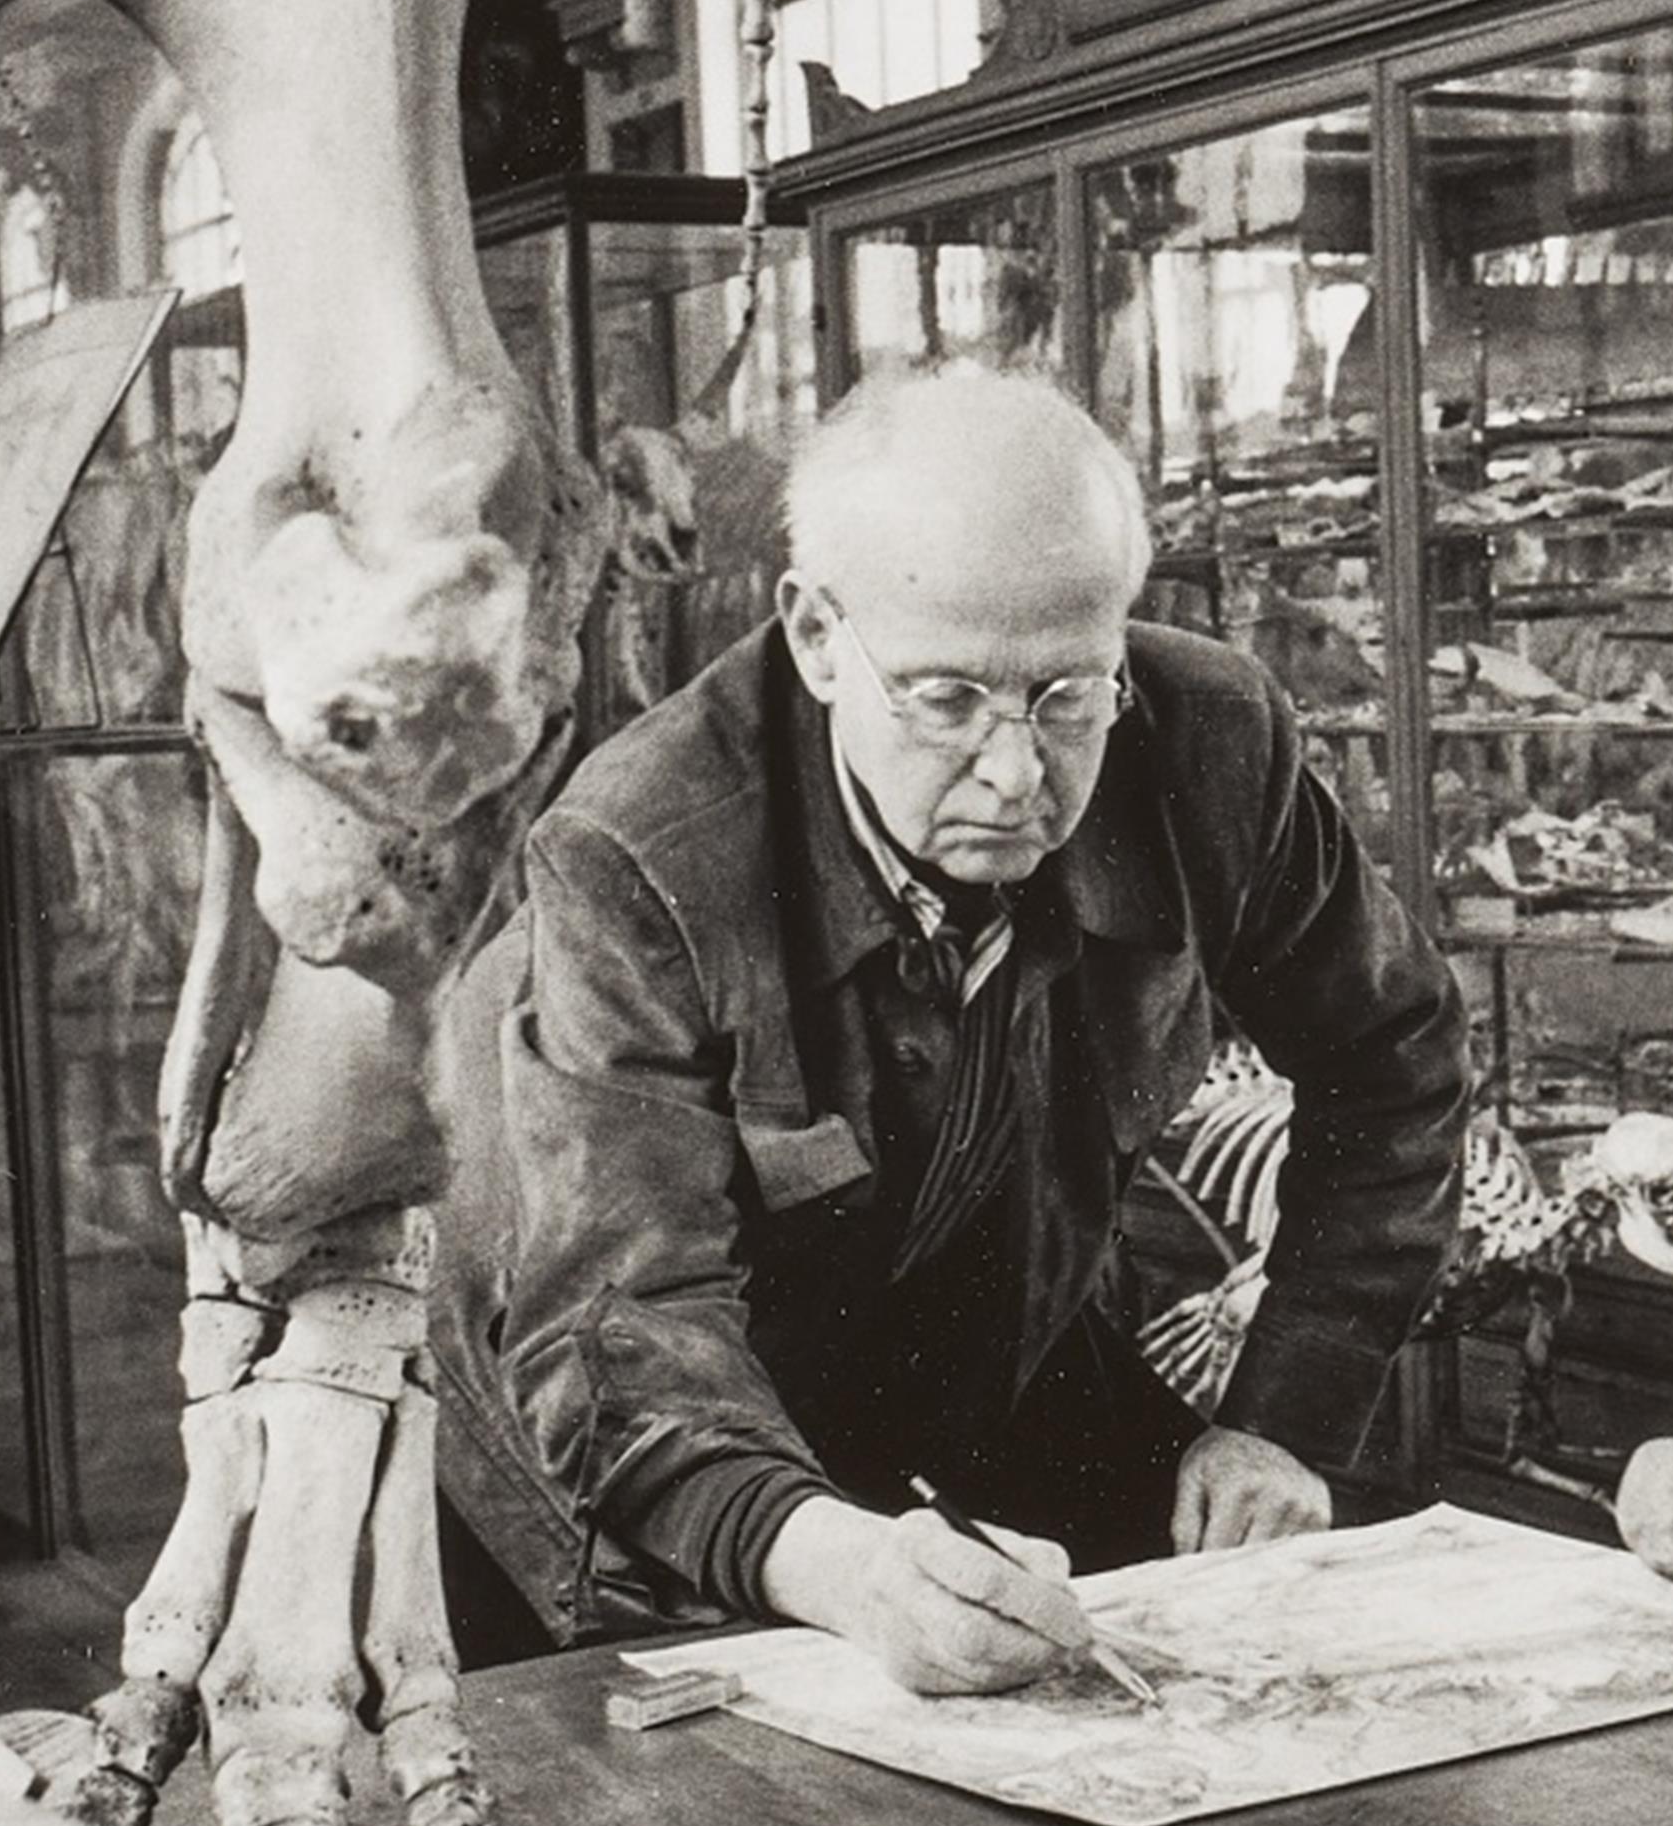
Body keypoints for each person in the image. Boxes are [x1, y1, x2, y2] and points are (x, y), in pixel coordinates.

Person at [429, 364, 1466, 1693]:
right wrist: (847, 1566)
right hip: (604, 1421)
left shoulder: (1213, 742)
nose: (1021, 775)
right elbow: (625, 1328)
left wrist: (1281, 1422)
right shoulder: (639, 850)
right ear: (814, 636)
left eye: (1068, 696)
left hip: (984, 1351)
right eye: (946, 700)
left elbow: (1397, 1066)